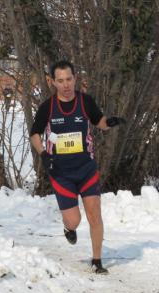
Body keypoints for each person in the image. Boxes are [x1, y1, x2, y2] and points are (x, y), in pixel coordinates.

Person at [30, 60, 125, 274]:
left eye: (69, 79)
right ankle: (68, 228)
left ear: (75, 78)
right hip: (61, 173)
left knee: (94, 214)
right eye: (61, 81)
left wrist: (109, 123)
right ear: (52, 82)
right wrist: (43, 154)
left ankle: (97, 261)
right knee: (75, 220)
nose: (66, 85)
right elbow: (35, 133)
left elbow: (99, 121)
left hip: (86, 169)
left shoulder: (85, 101)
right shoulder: (48, 106)